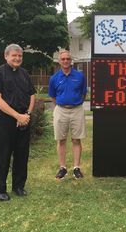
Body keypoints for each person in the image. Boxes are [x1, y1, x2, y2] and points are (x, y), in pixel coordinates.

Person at [0, 44, 36, 201]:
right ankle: (0, 190)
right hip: (6, 121)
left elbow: (32, 95)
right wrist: (17, 116)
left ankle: (18, 187)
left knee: (22, 155)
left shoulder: (24, 74)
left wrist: (27, 114)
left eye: (20, 56)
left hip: (24, 120)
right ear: (6, 56)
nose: (17, 58)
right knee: (4, 155)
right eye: (14, 55)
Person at [49, 50, 87, 179]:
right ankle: (63, 168)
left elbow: (83, 93)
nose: (65, 61)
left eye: (67, 59)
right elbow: (53, 97)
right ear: (59, 61)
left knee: (76, 139)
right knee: (61, 140)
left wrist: (75, 102)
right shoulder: (54, 78)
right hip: (61, 110)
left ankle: (76, 168)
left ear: (71, 61)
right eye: (63, 59)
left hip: (77, 109)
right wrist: (62, 105)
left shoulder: (80, 76)